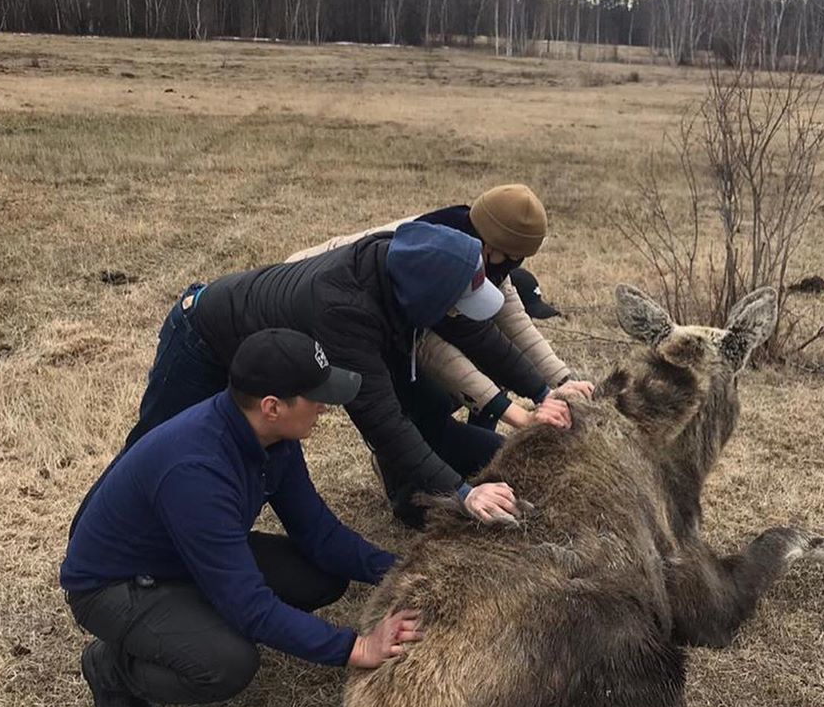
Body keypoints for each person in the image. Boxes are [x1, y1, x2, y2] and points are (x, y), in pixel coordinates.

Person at [61, 329, 420, 707]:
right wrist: (357, 648)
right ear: (272, 406)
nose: (324, 406)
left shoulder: (273, 439)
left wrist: (400, 571)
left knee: (320, 575)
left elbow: (318, 532)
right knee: (227, 664)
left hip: (183, 555)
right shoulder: (196, 471)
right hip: (114, 584)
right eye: (315, 396)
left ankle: (189, 617)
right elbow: (250, 606)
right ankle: (111, 668)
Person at [120, 221, 547, 527]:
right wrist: (464, 494)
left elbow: (476, 335)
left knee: (258, 458)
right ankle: (119, 544)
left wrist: (545, 390)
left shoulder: (403, 269)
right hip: (205, 338)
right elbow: (382, 422)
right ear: (425, 299)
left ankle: (199, 533)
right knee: (157, 444)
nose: (457, 314)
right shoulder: (346, 312)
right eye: (454, 303)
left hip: (271, 352)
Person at [286, 184, 592, 433]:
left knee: (438, 397)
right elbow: (433, 348)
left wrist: (560, 381)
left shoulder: (477, 244)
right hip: (310, 299)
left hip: (351, 302)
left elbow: (511, 316)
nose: (515, 264)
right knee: (403, 404)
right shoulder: (433, 262)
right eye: (513, 256)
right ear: (493, 249)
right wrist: (521, 411)